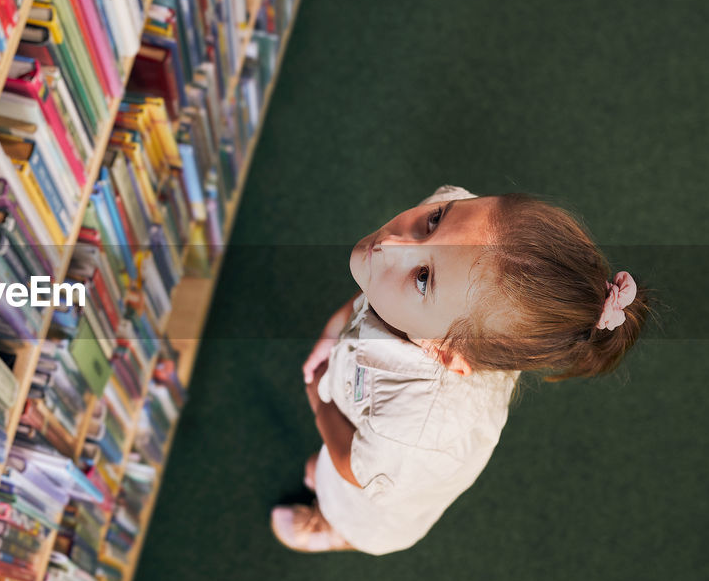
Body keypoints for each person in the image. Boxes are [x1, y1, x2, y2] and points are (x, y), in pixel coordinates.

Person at [271, 185, 652, 554]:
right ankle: (320, 474)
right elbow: (379, 288)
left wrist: (323, 407)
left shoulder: (415, 431)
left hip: (378, 486)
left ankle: (331, 525)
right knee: (326, 461)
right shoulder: (461, 235)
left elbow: (357, 468)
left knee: (347, 495)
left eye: (423, 278)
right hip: (368, 408)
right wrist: (337, 325)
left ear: (446, 353)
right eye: (433, 221)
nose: (391, 243)